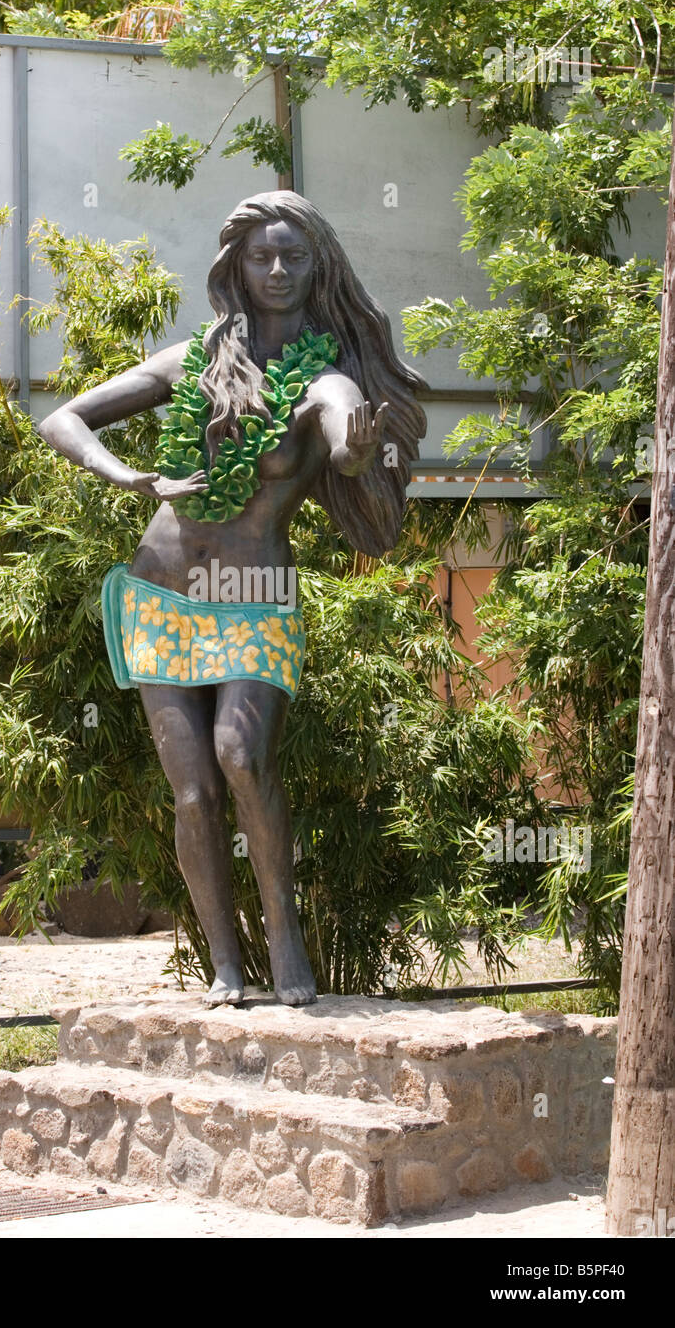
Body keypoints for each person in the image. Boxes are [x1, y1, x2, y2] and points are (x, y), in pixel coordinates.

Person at [38, 190, 426, 1006]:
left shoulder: (323, 379)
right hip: (162, 590)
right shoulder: (189, 363)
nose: (278, 270)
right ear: (236, 269)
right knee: (192, 790)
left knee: (242, 757)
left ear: (320, 268)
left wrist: (354, 452)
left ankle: (284, 936)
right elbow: (64, 419)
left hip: (252, 591)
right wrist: (130, 475)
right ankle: (224, 962)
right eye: (262, 257)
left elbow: (340, 428)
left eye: (294, 257)